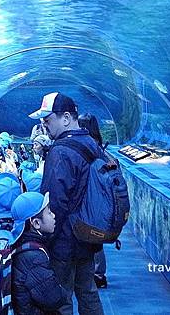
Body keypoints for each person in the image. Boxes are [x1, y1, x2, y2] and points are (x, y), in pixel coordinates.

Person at [29, 92, 104, 315]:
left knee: (60, 297)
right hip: (88, 232)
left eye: (47, 119)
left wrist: (46, 237)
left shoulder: (60, 151)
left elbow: (55, 201)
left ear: (66, 117)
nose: (44, 125)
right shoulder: (91, 143)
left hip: (65, 239)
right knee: (88, 291)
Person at [10, 191, 69, 315]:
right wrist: (62, 290)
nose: (53, 215)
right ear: (36, 223)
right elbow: (54, 298)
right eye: (48, 212)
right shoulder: (33, 257)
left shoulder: (23, 244)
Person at [78, 113, 108, 289]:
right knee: (96, 237)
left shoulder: (89, 146)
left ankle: (97, 273)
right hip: (99, 199)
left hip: (91, 198)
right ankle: (98, 273)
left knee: (94, 237)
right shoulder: (99, 146)